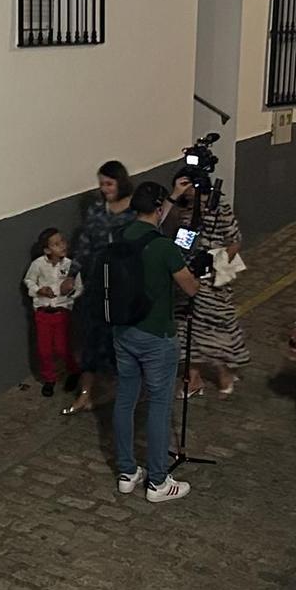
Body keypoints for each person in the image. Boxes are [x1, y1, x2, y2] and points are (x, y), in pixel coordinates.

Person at [104, 181, 198, 504]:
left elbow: (149, 225)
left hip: (123, 332)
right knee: (159, 405)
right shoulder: (165, 248)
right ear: (158, 209)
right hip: (157, 335)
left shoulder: (121, 237)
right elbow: (191, 289)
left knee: (126, 399)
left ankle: (127, 473)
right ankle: (158, 480)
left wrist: (171, 194)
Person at [170, 168, 249, 398]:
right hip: (188, 275)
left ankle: (224, 370)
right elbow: (181, 240)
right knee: (187, 327)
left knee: (216, 327)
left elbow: (235, 241)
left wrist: (215, 263)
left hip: (213, 279)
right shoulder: (183, 211)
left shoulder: (219, 208)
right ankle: (193, 378)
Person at [65, 163, 134, 416]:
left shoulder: (134, 211)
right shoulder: (96, 210)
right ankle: (85, 391)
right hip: (96, 280)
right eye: (101, 184)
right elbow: (85, 243)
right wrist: (72, 274)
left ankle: (119, 386)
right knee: (91, 336)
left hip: (123, 284)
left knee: (119, 338)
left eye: (109, 184)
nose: (104, 189)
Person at [24, 228, 80, 398]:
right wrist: (39, 290)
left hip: (61, 312)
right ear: (47, 250)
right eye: (56, 244)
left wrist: (70, 291)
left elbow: (78, 286)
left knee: (63, 347)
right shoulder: (38, 265)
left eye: (62, 241)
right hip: (43, 313)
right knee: (45, 349)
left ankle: (74, 371)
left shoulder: (70, 265)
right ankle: (49, 379)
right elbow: (29, 280)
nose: (62, 245)